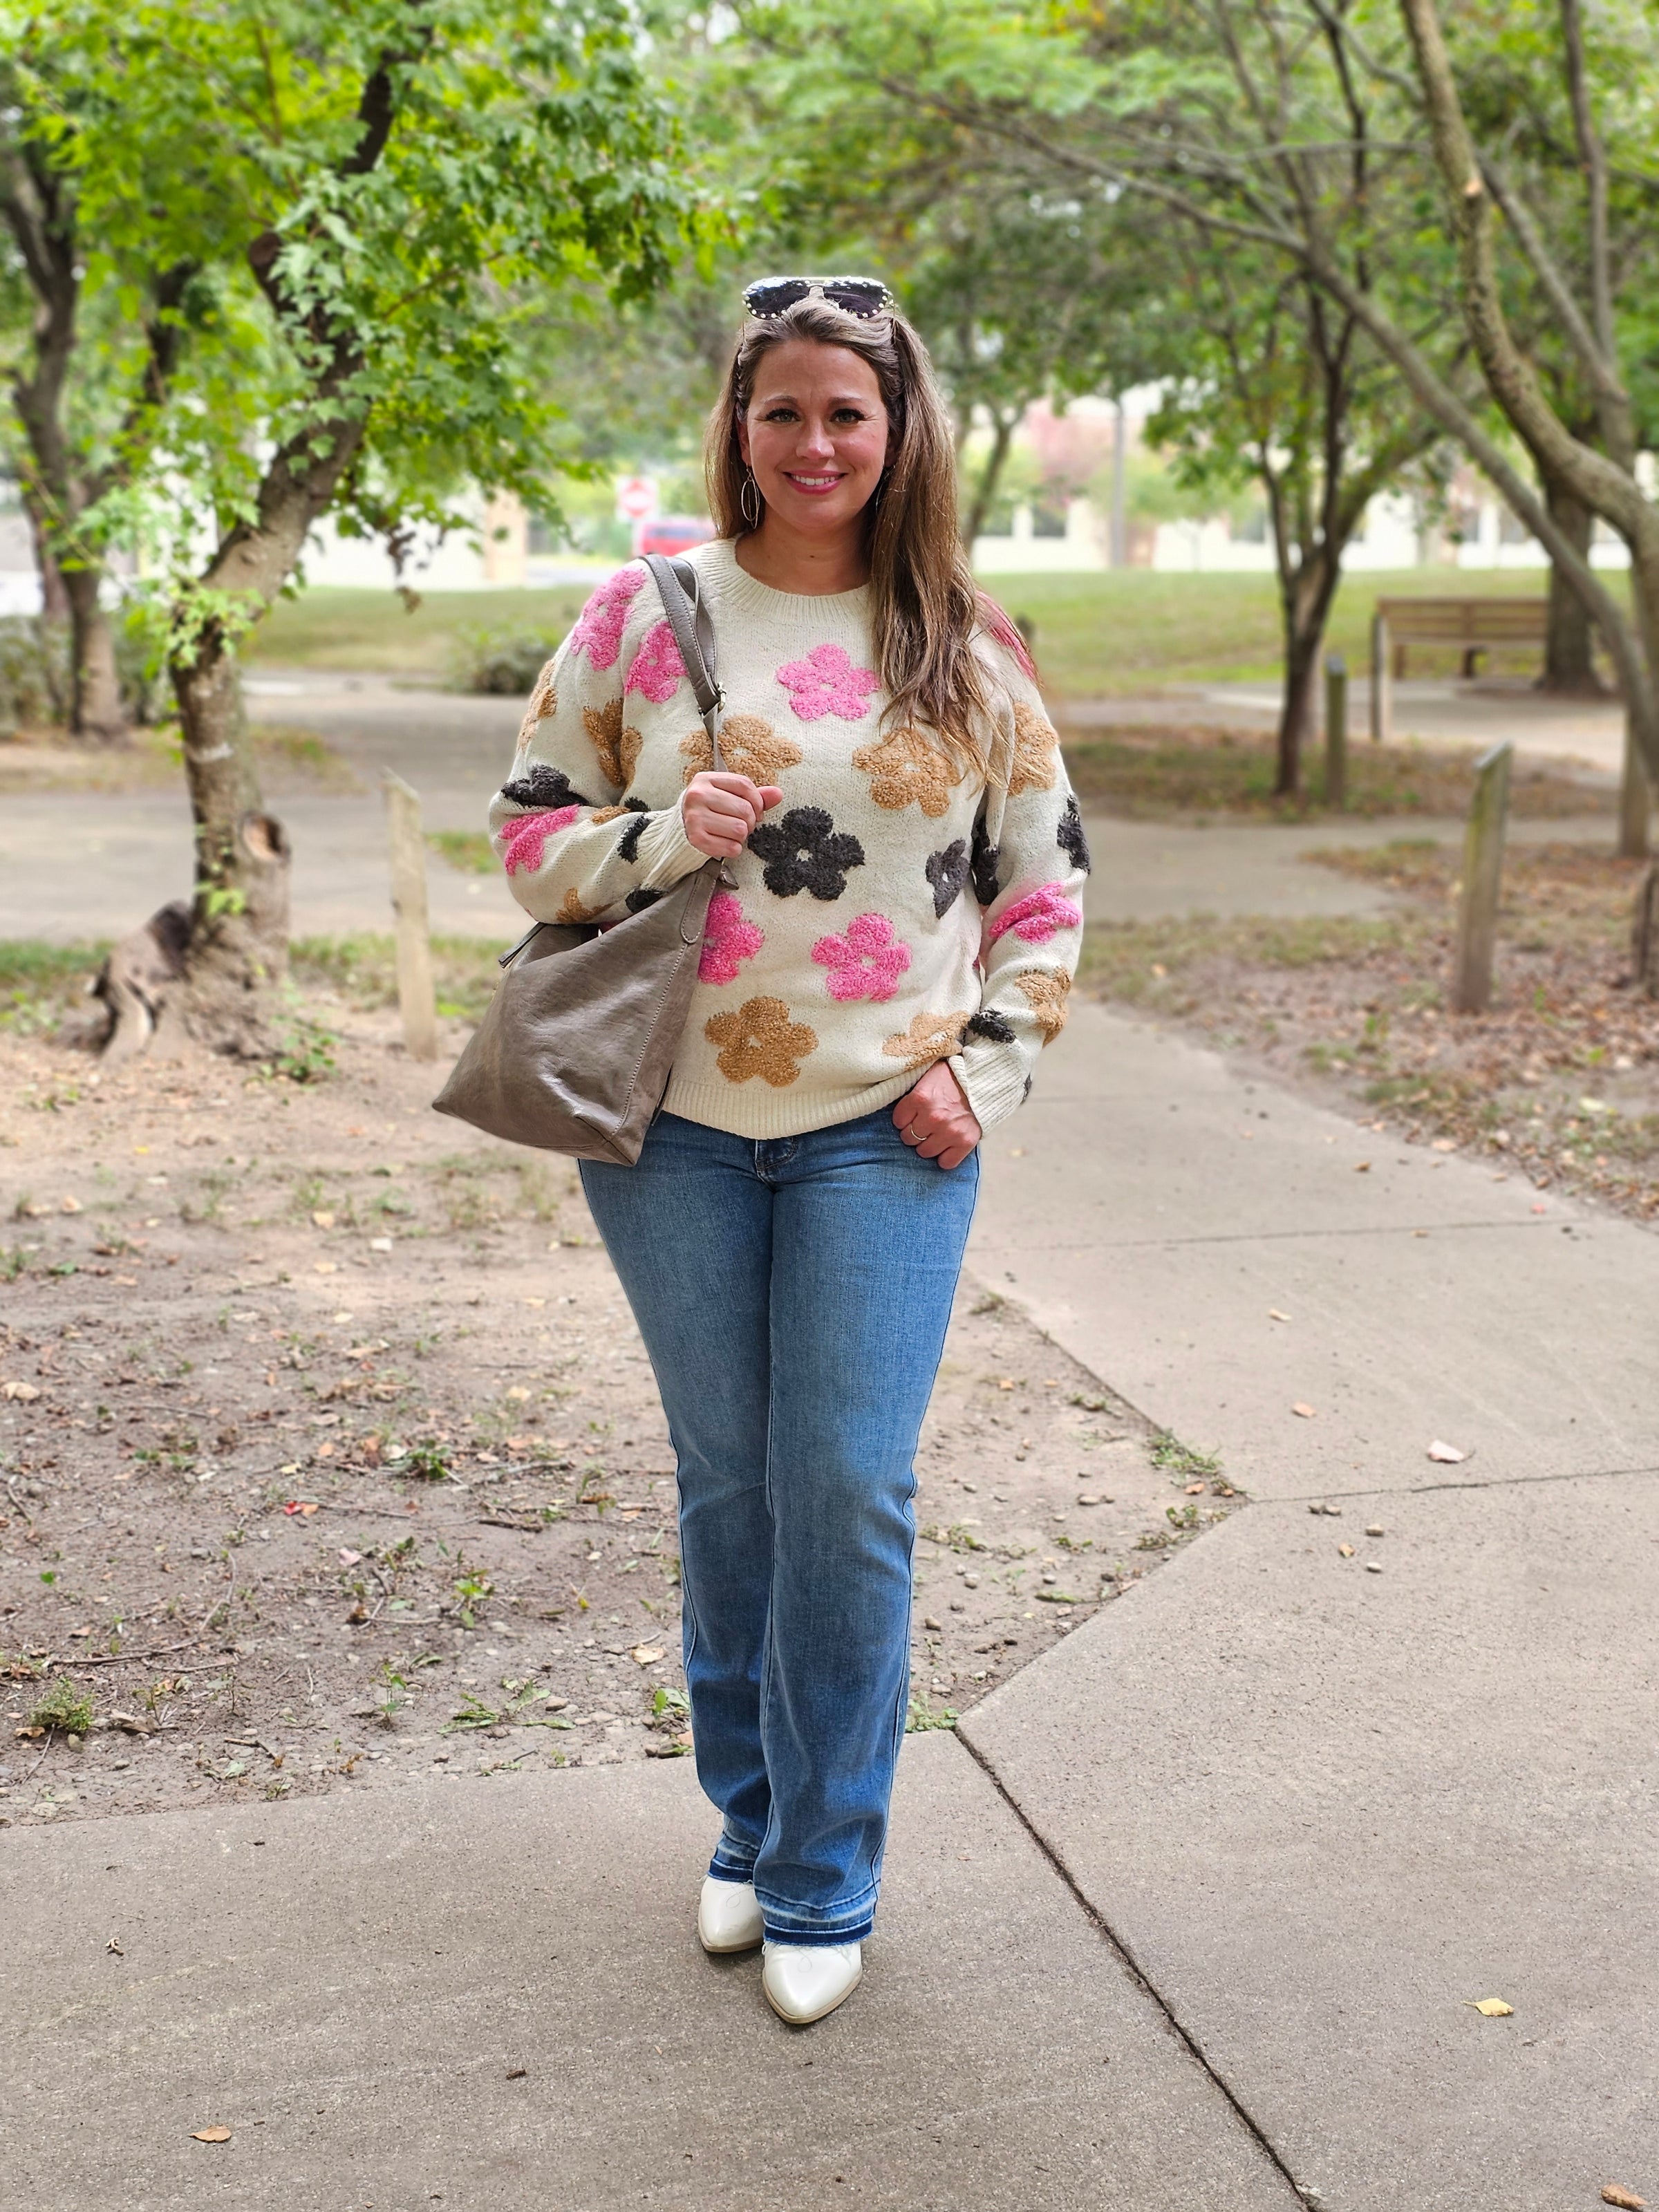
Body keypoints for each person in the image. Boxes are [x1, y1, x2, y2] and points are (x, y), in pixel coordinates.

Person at [487, 274, 1087, 2025]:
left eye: (847, 411)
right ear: (739, 429)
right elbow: (525, 837)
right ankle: (750, 1819)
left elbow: (1045, 883)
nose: (815, 441)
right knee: (732, 1484)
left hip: (888, 1128)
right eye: (784, 411)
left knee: (848, 1485)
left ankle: (829, 1863)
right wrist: (664, 832)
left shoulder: (963, 639)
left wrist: (992, 1068)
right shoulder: (642, 615)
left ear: (898, 431)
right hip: (667, 1126)